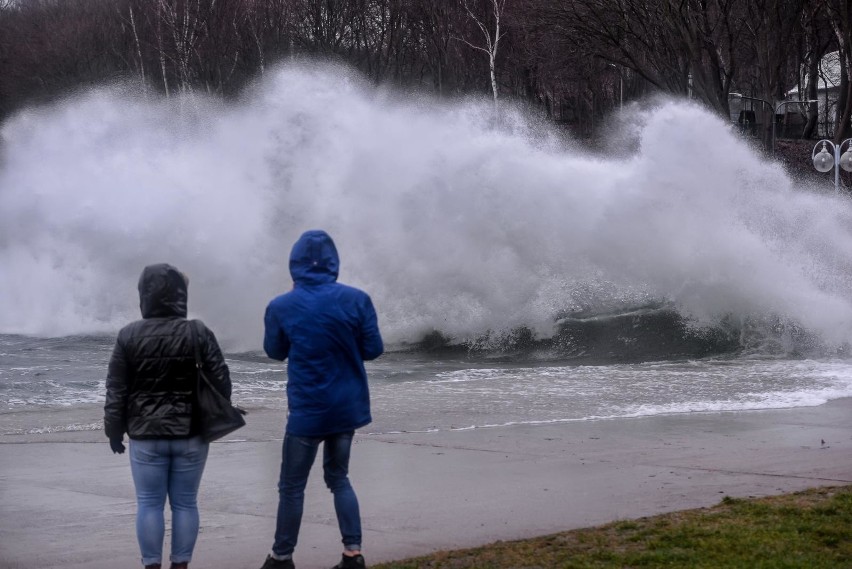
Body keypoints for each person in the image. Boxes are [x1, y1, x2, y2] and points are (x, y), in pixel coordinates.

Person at [260, 230, 384, 569]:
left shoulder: (281, 305)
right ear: (333, 263)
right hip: (347, 407)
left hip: (308, 411)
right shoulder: (357, 299)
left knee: (292, 487)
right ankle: (353, 554)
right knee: (338, 478)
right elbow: (373, 350)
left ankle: (282, 557)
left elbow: (275, 352)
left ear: (295, 265)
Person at [104, 263, 232, 569]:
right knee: (185, 503)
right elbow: (222, 384)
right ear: (180, 295)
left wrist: (113, 431)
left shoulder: (128, 335)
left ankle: (151, 565)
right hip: (191, 435)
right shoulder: (198, 331)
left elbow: (116, 390)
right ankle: (181, 565)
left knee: (149, 504)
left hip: (146, 436)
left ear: (143, 296)